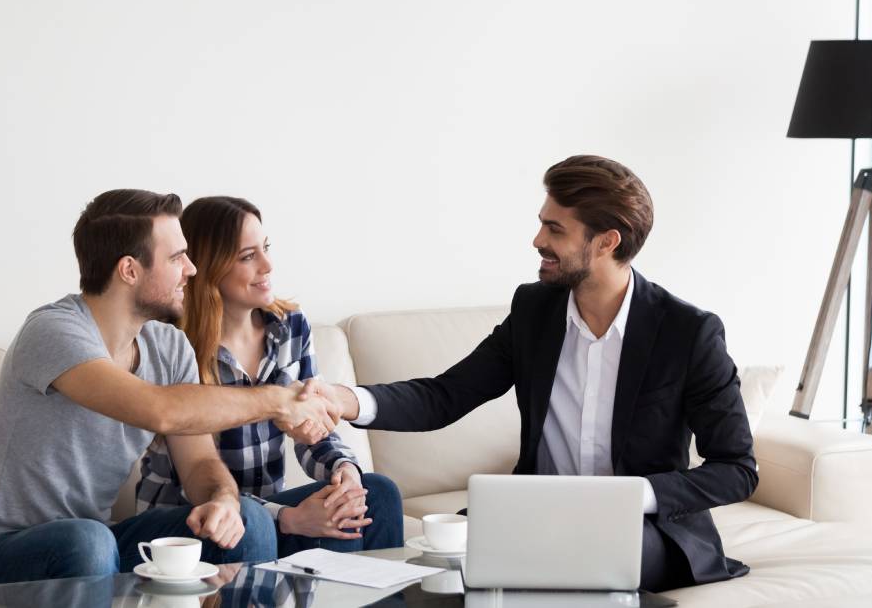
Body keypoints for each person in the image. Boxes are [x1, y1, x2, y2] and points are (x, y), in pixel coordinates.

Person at [307, 156, 758, 592]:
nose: (537, 239)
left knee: (585, 557)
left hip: (642, 528)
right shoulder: (534, 311)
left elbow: (736, 469)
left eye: (555, 229)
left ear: (607, 242)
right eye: (542, 223)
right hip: (535, 517)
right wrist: (343, 400)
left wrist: (631, 496)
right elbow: (445, 396)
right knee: (445, 562)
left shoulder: (687, 332)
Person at [0, 189, 340, 586]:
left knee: (248, 518)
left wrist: (221, 497)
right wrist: (279, 400)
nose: (191, 269)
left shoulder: (168, 346)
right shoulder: (53, 331)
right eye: (176, 258)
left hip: (97, 544)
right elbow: (159, 409)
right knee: (87, 539)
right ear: (130, 270)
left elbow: (199, 463)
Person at [138, 196, 403, 557]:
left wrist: (344, 474)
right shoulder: (173, 345)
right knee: (278, 521)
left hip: (265, 512)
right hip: (196, 519)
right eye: (248, 257)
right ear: (209, 267)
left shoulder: (290, 327)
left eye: (265, 248)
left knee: (376, 494)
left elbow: (315, 431)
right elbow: (193, 480)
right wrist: (289, 518)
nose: (268, 265)